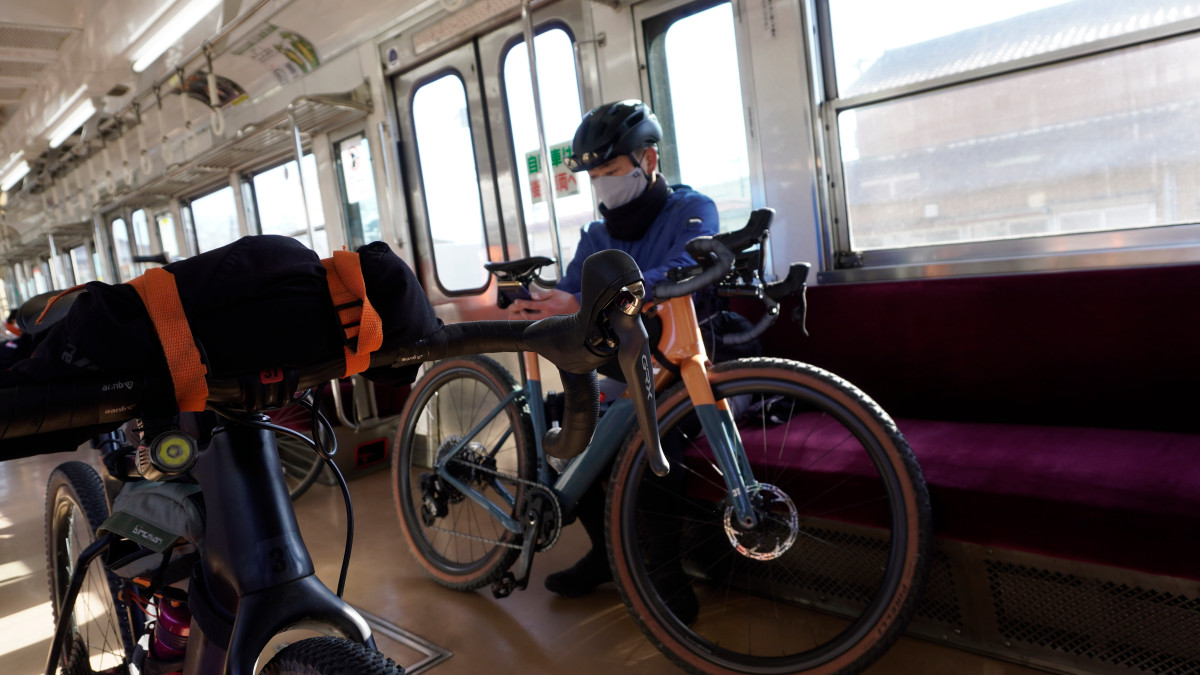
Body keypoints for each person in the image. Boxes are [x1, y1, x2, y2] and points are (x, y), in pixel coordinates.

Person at [507, 100, 717, 618]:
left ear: (648, 160)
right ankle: (604, 555)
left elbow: (684, 263)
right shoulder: (597, 236)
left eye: (612, 172)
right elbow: (573, 287)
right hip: (620, 367)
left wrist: (584, 300)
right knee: (564, 425)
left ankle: (665, 577)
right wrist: (545, 300)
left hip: (683, 365)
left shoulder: (692, 210)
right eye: (595, 177)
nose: (602, 185)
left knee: (654, 439)